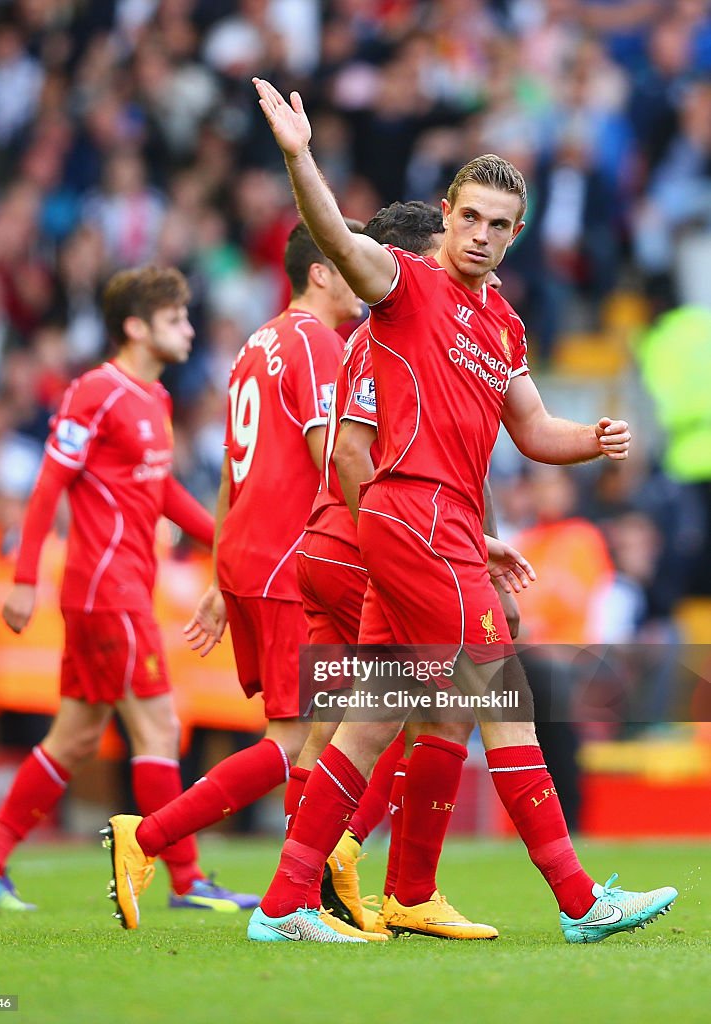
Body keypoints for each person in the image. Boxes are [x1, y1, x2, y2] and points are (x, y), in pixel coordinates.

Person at [241, 77, 677, 944]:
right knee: (503, 697)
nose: (479, 235)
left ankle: (284, 905)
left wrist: (595, 436)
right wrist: (300, 157)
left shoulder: (504, 325)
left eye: (498, 225)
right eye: (469, 217)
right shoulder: (402, 283)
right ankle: (580, 900)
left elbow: (536, 430)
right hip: (416, 519)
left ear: (516, 237)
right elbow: (336, 235)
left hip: (438, 526)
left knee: (369, 724)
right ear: (445, 214)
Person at [0, 266, 256, 918]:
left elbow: (163, 490)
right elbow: (47, 487)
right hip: (104, 589)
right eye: (176, 319)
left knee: (76, 737)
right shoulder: (96, 392)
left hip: (123, 588)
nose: (189, 329)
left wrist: (223, 540)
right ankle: (186, 880)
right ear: (136, 326)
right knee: (159, 725)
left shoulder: (156, 398)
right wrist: (26, 578)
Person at [102, 224, 376, 938]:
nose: (361, 275)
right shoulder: (318, 343)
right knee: (304, 741)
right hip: (293, 558)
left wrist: (224, 574)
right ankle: (159, 839)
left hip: (251, 557)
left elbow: (232, 468)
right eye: (348, 263)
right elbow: (330, 455)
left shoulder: (256, 344)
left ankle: (306, 894)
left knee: (316, 729)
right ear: (319, 273)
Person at [294, 200, 530, 940]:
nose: (455, 259)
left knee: (367, 719)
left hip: (374, 539)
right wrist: (406, 547)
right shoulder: (388, 326)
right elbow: (355, 456)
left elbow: (455, 451)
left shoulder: (457, 328)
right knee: (469, 700)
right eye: (441, 247)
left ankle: (314, 883)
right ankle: (320, 872)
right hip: (368, 542)